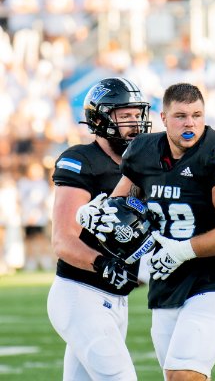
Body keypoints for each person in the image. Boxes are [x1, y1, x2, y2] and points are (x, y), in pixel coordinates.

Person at [78, 82, 215, 381]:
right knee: (179, 375)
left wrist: (183, 250)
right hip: (166, 283)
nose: (190, 124)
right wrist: (99, 211)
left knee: (182, 374)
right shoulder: (144, 150)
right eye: (181, 116)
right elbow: (124, 199)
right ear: (163, 118)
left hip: (214, 282)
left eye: (197, 116)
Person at [47, 77, 152, 380]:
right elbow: (63, 239)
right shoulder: (81, 160)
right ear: (101, 118)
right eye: (125, 116)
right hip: (81, 294)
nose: (135, 123)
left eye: (137, 115)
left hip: (116, 300)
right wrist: (103, 263)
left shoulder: (143, 162)